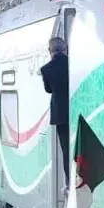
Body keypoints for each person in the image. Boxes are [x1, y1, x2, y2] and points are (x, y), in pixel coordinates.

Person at [40, 37, 70, 187]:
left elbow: (48, 89)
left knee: (66, 150)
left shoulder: (46, 69)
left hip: (60, 115)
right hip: (76, 110)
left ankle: (70, 182)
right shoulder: (73, 64)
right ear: (65, 48)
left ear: (50, 51)